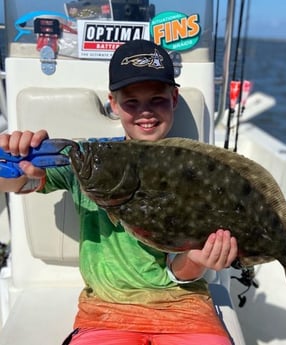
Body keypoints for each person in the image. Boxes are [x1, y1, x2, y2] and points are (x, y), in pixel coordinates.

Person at [0, 39, 238, 345]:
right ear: (113, 103)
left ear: (174, 98)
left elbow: (182, 272)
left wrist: (199, 258)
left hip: (186, 310)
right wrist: (16, 160)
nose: (145, 112)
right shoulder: (88, 157)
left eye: (157, 99)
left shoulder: (195, 171)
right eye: (131, 102)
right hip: (106, 314)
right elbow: (20, 183)